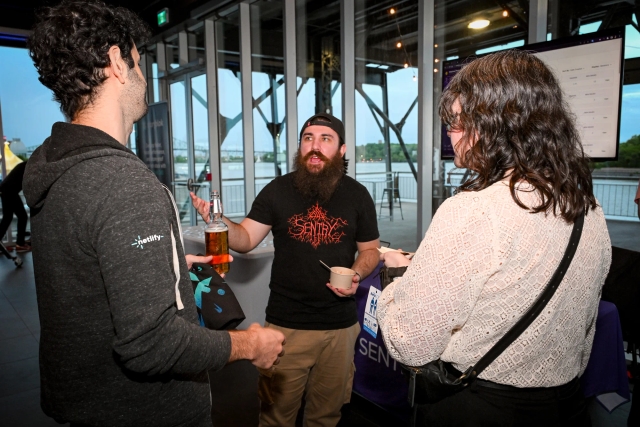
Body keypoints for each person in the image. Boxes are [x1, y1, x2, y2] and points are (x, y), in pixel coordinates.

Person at [24, 1, 285, 426]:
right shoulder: (122, 183)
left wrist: (162, 268)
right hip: (147, 413)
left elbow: (82, 275)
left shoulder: (55, 169)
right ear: (116, 63)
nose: (144, 78)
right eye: (139, 63)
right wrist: (248, 345)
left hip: (90, 406)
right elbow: (150, 344)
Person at [377, 50, 611, 427]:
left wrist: (394, 287)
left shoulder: (474, 210)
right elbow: (581, 335)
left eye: (455, 121)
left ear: (491, 123)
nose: (450, 133)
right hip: (565, 405)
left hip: (480, 408)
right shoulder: (589, 209)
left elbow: (409, 342)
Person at [190, 112, 380, 426]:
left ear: (342, 150)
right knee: (276, 417)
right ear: (300, 146)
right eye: (308, 138)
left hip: (341, 329)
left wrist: (357, 273)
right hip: (286, 328)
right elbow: (246, 239)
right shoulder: (278, 191)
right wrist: (219, 220)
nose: (315, 146)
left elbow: (370, 250)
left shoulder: (358, 195)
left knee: (327, 417)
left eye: (325, 139)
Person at [0, 161, 30, 252]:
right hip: (10, 191)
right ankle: (20, 244)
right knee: (22, 216)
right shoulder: (29, 167)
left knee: (7, 218)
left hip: (5, 189)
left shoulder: (25, 165)